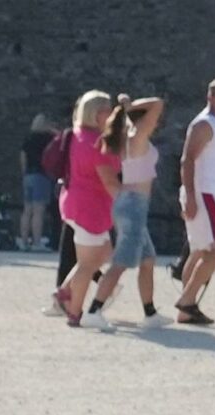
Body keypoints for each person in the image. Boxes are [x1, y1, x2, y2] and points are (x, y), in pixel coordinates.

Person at [88, 96, 166, 324]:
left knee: (148, 259)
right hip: (133, 205)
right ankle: (94, 311)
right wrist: (131, 106)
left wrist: (127, 105)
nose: (157, 123)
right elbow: (158, 103)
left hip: (132, 204)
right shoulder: (137, 136)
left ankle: (150, 313)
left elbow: (142, 112)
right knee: (121, 261)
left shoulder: (131, 135)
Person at [174, 77, 215, 324]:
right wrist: (190, 196)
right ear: (210, 96)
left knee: (200, 250)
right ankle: (187, 300)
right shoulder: (204, 124)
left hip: (212, 195)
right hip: (205, 195)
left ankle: (186, 308)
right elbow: (187, 160)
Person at [57, 92, 121, 329]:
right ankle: (75, 312)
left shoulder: (77, 136)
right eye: (108, 110)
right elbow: (109, 181)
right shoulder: (96, 143)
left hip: (76, 202)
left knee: (103, 251)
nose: (112, 114)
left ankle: (64, 292)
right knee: (88, 262)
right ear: (97, 114)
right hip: (90, 208)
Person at [18, 114, 58, 250]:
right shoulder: (48, 138)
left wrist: (24, 174)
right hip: (41, 175)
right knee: (38, 210)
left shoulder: (28, 138)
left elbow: (22, 157)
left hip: (28, 175)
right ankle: (36, 242)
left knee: (27, 210)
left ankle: (23, 242)